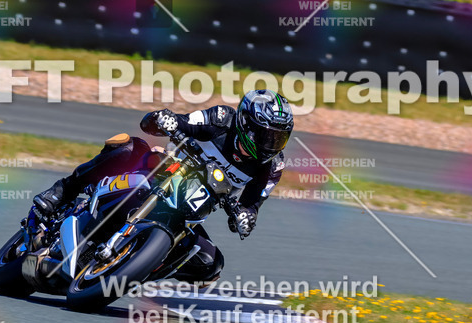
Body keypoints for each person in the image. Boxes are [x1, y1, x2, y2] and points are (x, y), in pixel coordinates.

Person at [28, 89, 293, 283]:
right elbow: (175, 122)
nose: (271, 143)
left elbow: (251, 206)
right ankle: (63, 191)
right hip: (161, 171)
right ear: (246, 124)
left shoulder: (271, 167)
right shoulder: (221, 118)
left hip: (188, 210)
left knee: (211, 265)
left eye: (279, 137)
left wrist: (245, 218)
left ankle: (133, 267)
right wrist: (166, 120)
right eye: (266, 134)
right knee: (129, 146)